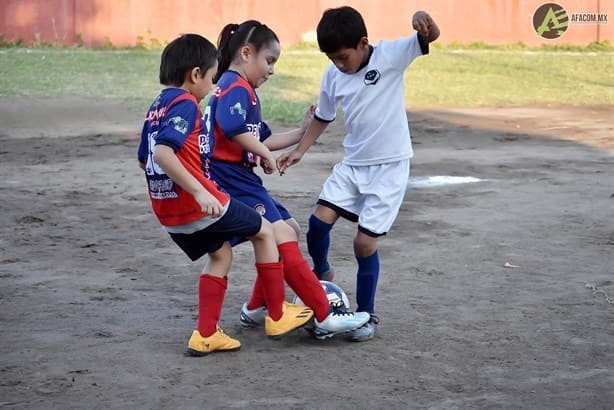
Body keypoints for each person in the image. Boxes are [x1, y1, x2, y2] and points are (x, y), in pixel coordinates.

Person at [137, 34, 313, 356]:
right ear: (195, 75)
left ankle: (206, 334)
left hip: (168, 212)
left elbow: (144, 157)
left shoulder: (157, 106)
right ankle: (277, 314)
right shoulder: (186, 103)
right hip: (198, 202)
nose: (213, 85)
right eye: (211, 76)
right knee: (265, 231)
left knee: (221, 255)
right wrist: (197, 190)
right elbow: (163, 153)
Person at [277, 7, 440, 342]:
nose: (338, 64)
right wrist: (299, 150)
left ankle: (367, 315)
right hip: (352, 165)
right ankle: (322, 272)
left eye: (342, 57)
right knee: (318, 223)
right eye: (332, 58)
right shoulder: (332, 75)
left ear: (363, 43)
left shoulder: (391, 55)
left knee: (364, 244)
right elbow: (323, 116)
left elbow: (429, 38)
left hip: (389, 168)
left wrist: (425, 23)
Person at [203, 20, 370, 339]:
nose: (272, 70)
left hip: (240, 179)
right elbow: (232, 129)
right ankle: (323, 312)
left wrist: (304, 130)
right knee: (281, 234)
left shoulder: (242, 90)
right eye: (269, 61)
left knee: (289, 229)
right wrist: (263, 155)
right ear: (247, 53)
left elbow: (261, 137)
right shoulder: (234, 87)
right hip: (231, 181)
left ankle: (255, 308)